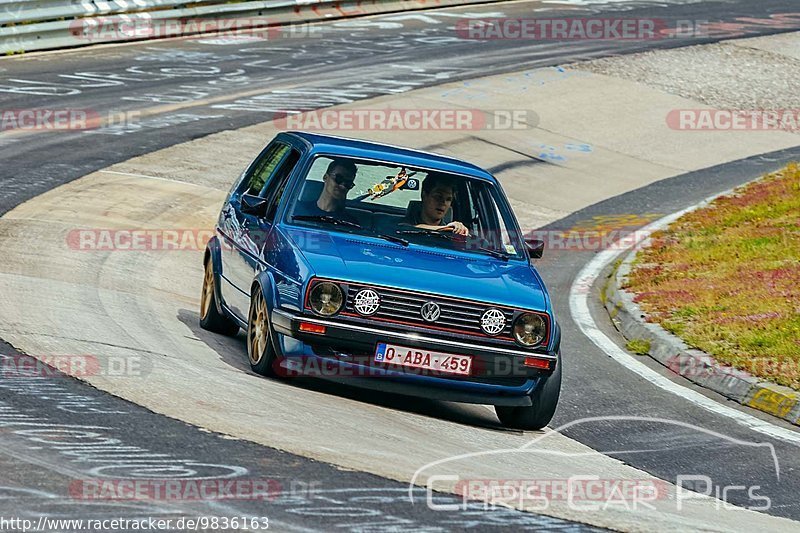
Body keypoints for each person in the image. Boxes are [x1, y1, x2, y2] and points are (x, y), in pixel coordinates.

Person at [294, 158, 360, 224]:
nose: (343, 186)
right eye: (339, 179)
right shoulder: (297, 210)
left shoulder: (349, 223)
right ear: (325, 177)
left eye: (348, 183)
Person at [403, 173, 469, 236]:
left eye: (448, 199)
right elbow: (411, 228)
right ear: (424, 195)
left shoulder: (452, 234)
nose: (443, 203)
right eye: (438, 197)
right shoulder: (402, 225)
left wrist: (460, 230)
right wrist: (445, 228)